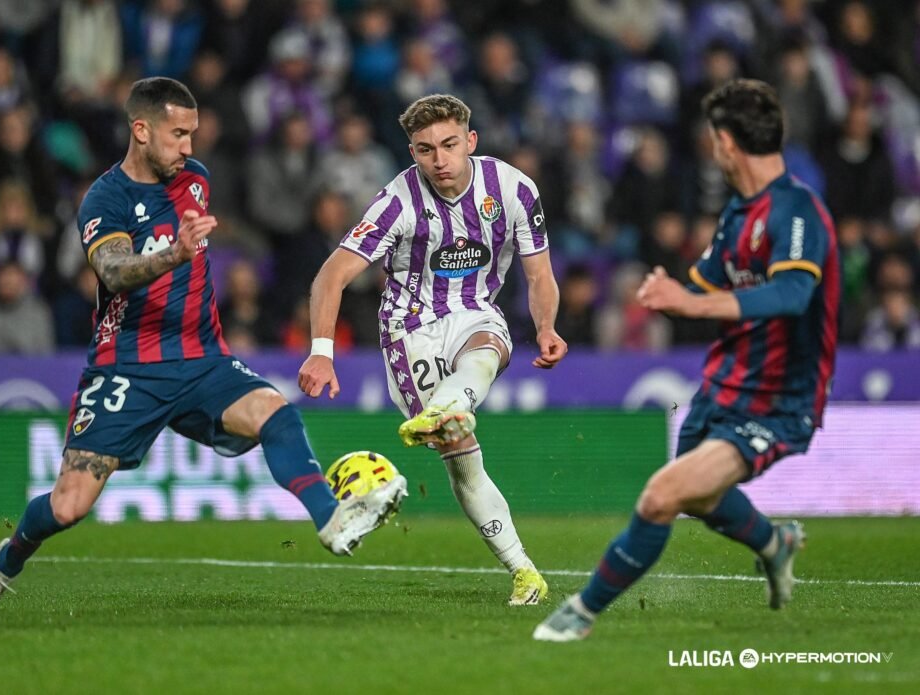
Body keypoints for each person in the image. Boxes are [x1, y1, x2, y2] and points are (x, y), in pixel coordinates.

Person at [0, 77, 406, 617]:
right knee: (69, 506)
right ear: (141, 130)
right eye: (178, 134)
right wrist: (176, 253)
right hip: (128, 368)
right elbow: (113, 271)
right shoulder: (105, 198)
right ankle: (6, 561)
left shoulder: (195, 178)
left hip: (201, 357)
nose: (189, 147)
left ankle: (329, 518)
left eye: (193, 134)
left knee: (275, 412)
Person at [534, 79, 840, 641]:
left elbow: (791, 296)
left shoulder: (797, 211)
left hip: (778, 399)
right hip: (723, 385)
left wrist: (690, 300)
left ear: (725, 143)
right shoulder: (736, 215)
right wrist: (664, 287)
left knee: (662, 496)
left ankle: (579, 614)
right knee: (700, 499)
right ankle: (776, 543)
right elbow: (699, 284)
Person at [298, 94, 568, 605]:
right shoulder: (397, 201)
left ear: (471, 141)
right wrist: (321, 350)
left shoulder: (512, 189)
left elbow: (540, 273)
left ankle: (453, 403)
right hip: (409, 329)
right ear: (412, 152)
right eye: (425, 150)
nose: (439, 160)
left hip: (473, 310)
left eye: (448, 145)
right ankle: (523, 567)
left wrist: (548, 326)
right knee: (461, 458)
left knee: (488, 344)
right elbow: (332, 275)